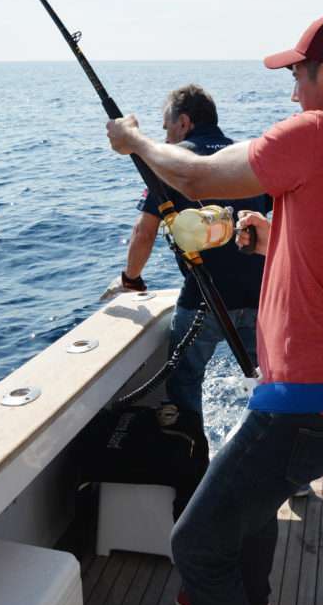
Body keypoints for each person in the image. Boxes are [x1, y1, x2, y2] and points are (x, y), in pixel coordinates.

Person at [106, 12, 323, 605]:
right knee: (249, 507)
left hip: (298, 412)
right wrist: (271, 237)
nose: (292, 96)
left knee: (194, 547)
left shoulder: (320, 132)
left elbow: (193, 177)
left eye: (299, 78)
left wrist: (136, 142)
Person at [112, 84, 271, 420]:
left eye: (167, 127)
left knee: (184, 381)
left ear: (183, 122)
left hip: (204, 298)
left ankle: (193, 454)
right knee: (268, 383)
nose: (166, 137)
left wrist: (131, 278)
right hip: (260, 296)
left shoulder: (169, 165)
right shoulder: (246, 157)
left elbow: (144, 233)